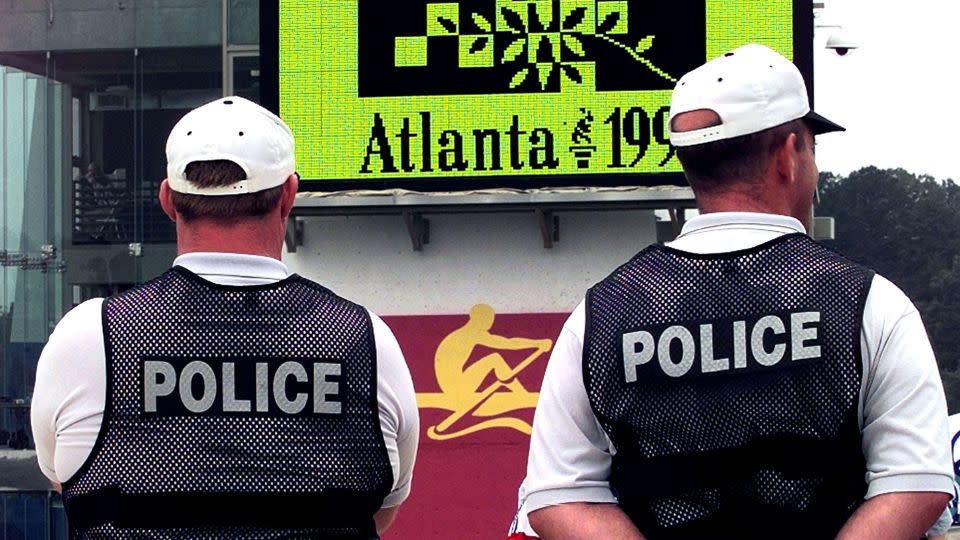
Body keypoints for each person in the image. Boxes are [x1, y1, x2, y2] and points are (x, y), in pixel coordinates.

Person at [518, 44, 953, 539]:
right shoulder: (870, 303)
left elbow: (559, 495)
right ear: (790, 156)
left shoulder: (599, 316)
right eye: (812, 148)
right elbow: (917, 482)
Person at [31, 96, 419, 538]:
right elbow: (382, 507)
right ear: (289, 194)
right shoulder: (365, 341)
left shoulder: (88, 337)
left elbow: (65, 479)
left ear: (168, 200)